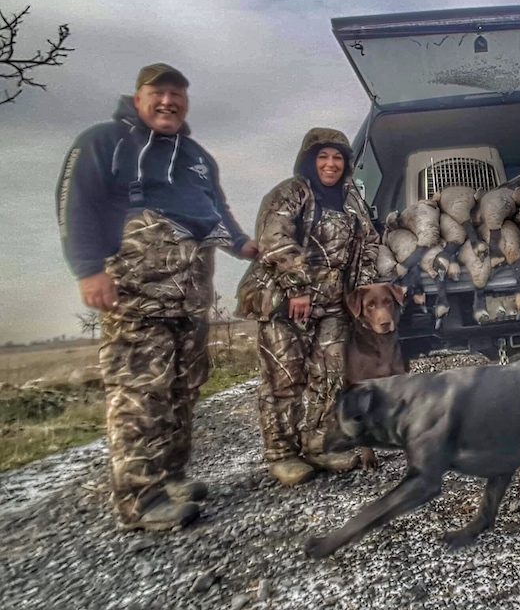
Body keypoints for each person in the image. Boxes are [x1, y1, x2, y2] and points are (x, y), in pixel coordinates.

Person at [56, 63, 257, 531]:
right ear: (138, 96)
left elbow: (215, 213)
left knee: (183, 391)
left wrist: (242, 245)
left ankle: (169, 478)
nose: (168, 101)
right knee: (140, 392)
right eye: (158, 92)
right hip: (136, 298)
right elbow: (75, 204)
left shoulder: (196, 155)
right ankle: (138, 500)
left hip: (190, 299)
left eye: (177, 94)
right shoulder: (102, 142)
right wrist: (88, 270)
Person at [236, 128, 382, 486]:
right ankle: (282, 454)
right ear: (309, 160)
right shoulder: (290, 193)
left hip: (334, 305)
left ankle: (319, 445)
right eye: (323, 157)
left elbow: (369, 242)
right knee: (285, 377)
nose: (330, 164)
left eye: (337, 158)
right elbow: (275, 239)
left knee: (329, 375)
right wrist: (298, 287)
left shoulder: (351, 199)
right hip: (287, 301)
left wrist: (362, 290)